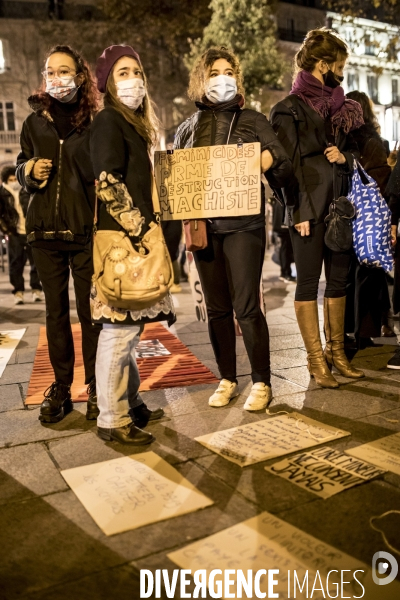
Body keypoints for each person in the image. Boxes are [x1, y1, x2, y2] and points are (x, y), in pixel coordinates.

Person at [174, 47, 292, 410]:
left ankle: (261, 381)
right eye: (213, 73)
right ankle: (227, 378)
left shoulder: (253, 119)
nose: (221, 78)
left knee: (246, 306)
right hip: (204, 228)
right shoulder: (186, 129)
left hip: (244, 226)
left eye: (228, 71)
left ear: (236, 78)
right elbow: (178, 177)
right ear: (201, 80)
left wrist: (256, 160)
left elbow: (281, 160)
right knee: (217, 308)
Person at [270, 28, 365, 389]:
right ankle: (314, 360)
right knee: (308, 283)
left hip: (339, 207)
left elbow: (360, 149)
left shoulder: (344, 109)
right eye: (339, 66)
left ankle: (336, 352)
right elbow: (283, 169)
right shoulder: (287, 109)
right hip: (307, 210)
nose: (342, 73)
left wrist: (346, 156)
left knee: (338, 281)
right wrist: (298, 213)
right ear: (323, 65)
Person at [91, 44, 174, 445]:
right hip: (124, 241)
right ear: (107, 82)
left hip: (132, 237)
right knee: (118, 332)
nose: (133, 79)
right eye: (122, 73)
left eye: (136, 71)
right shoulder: (109, 119)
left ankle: (131, 402)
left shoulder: (133, 124)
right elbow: (107, 182)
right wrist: (140, 230)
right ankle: (111, 418)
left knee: (130, 328)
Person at [16, 45, 101, 423]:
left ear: (80, 76)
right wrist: (28, 170)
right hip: (43, 233)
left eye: (64, 71)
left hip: (84, 232)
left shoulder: (95, 122)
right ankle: (63, 387)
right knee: (55, 314)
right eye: (50, 72)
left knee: (91, 314)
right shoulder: (34, 121)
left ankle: (98, 386)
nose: (56, 78)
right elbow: (19, 166)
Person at [344, 90, 394, 344]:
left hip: (354, 217)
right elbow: (382, 183)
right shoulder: (374, 142)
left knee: (357, 272)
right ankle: (369, 327)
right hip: (368, 219)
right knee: (369, 271)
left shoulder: (355, 143)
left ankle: (361, 327)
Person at [0, 165, 42, 304]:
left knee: (35, 262)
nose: (13, 181)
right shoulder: (2, 193)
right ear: (5, 180)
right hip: (14, 233)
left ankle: (36, 289)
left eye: (15, 178)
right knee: (16, 263)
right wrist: (6, 230)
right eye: (10, 179)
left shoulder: (26, 190)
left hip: (30, 231)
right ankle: (18, 291)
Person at [272, 199, 296, 283]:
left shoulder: (278, 198)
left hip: (281, 226)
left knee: (284, 249)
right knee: (285, 249)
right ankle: (286, 273)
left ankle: (285, 272)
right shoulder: (282, 198)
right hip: (283, 227)